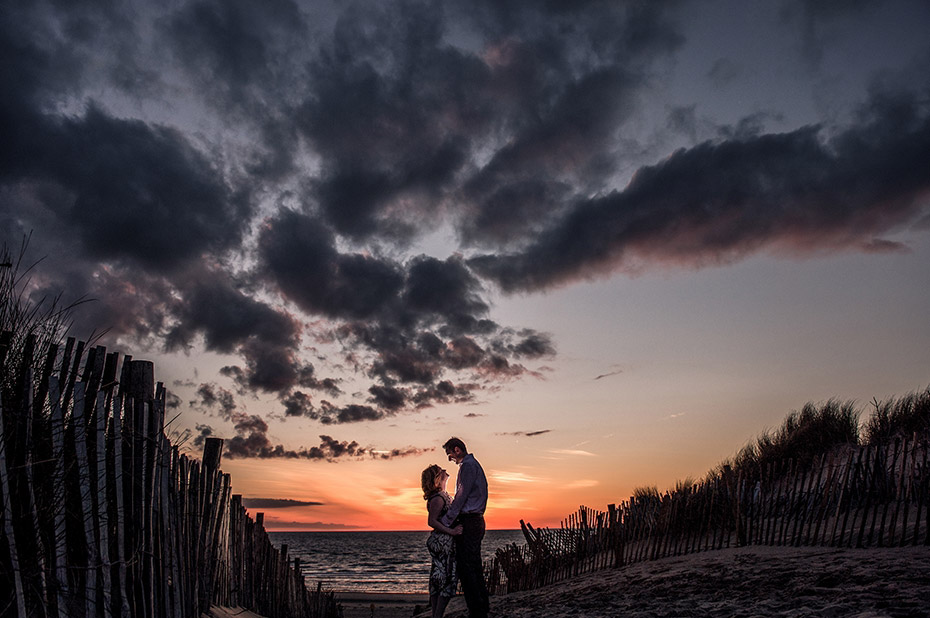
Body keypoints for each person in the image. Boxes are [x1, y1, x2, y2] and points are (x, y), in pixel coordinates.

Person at [440, 437, 490, 618]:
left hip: (470, 521)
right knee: (474, 565)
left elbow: (461, 496)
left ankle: (477, 611)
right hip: (475, 520)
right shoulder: (473, 465)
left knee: (466, 567)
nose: (450, 459)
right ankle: (482, 607)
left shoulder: (468, 467)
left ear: (457, 450)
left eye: (450, 454)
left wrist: (446, 521)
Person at [421, 464, 463, 618]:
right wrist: (451, 531)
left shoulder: (442, 495)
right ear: (437, 477)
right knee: (444, 579)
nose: (445, 471)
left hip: (442, 541)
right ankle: (437, 615)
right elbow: (432, 521)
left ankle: (436, 615)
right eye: (441, 470)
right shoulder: (438, 498)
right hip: (442, 542)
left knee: (440, 577)